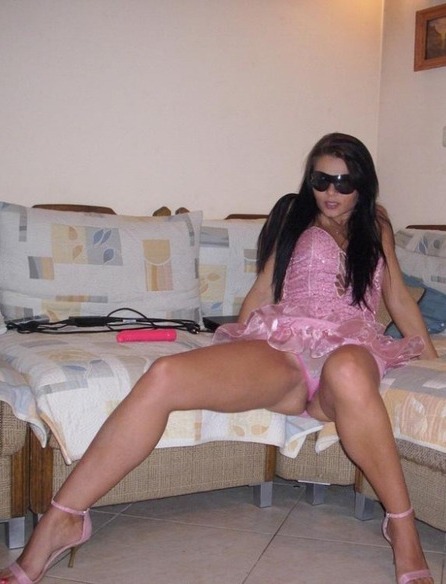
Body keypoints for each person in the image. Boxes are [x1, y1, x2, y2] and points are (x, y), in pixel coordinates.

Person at [0, 133, 437, 584]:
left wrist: (430, 355)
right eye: (321, 180)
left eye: (344, 182)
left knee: (346, 368)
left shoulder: (376, 225)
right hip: (287, 347)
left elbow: (398, 298)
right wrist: (231, 351)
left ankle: (401, 528)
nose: (331, 191)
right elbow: (265, 289)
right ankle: (64, 519)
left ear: (363, 185)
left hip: (349, 352)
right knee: (165, 374)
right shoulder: (295, 215)